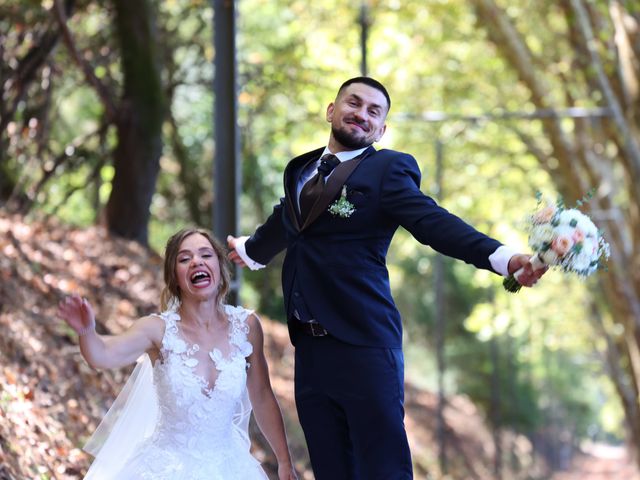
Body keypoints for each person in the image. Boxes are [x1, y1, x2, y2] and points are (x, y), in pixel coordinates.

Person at [227, 76, 547, 480]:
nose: (361, 114)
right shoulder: (301, 170)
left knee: (382, 470)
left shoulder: (387, 170)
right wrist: (249, 250)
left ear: (381, 129)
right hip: (309, 349)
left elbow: (435, 223)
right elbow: (284, 222)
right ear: (331, 110)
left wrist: (503, 258)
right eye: (353, 103)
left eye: (373, 111)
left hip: (365, 345)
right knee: (331, 469)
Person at [58, 228, 298, 480]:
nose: (196, 261)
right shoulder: (157, 329)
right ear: (175, 277)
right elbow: (103, 355)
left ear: (219, 267)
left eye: (206, 255)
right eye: (184, 259)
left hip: (231, 468)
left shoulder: (247, 326)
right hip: (164, 469)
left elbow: (261, 395)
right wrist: (87, 330)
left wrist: (284, 460)